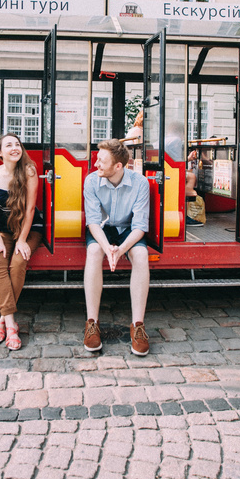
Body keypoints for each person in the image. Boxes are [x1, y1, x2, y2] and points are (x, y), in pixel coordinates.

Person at [82, 139, 151, 356]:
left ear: (118, 166)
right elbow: (93, 221)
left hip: (128, 230)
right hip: (102, 229)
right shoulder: (91, 181)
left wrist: (120, 249)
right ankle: (91, 323)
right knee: (93, 251)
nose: (96, 164)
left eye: (102, 161)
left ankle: (138, 326)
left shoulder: (140, 183)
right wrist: (108, 248)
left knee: (140, 254)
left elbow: (140, 226)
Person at [0, 133, 44, 351]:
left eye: (17, 144)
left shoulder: (29, 170)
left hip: (28, 227)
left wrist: (22, 240)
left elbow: (29, 210)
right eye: (9, 145)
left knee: (18, 263)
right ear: (0, 153)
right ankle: (10, 324)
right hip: (2, 228)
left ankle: (2, 321)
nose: (15, 148)